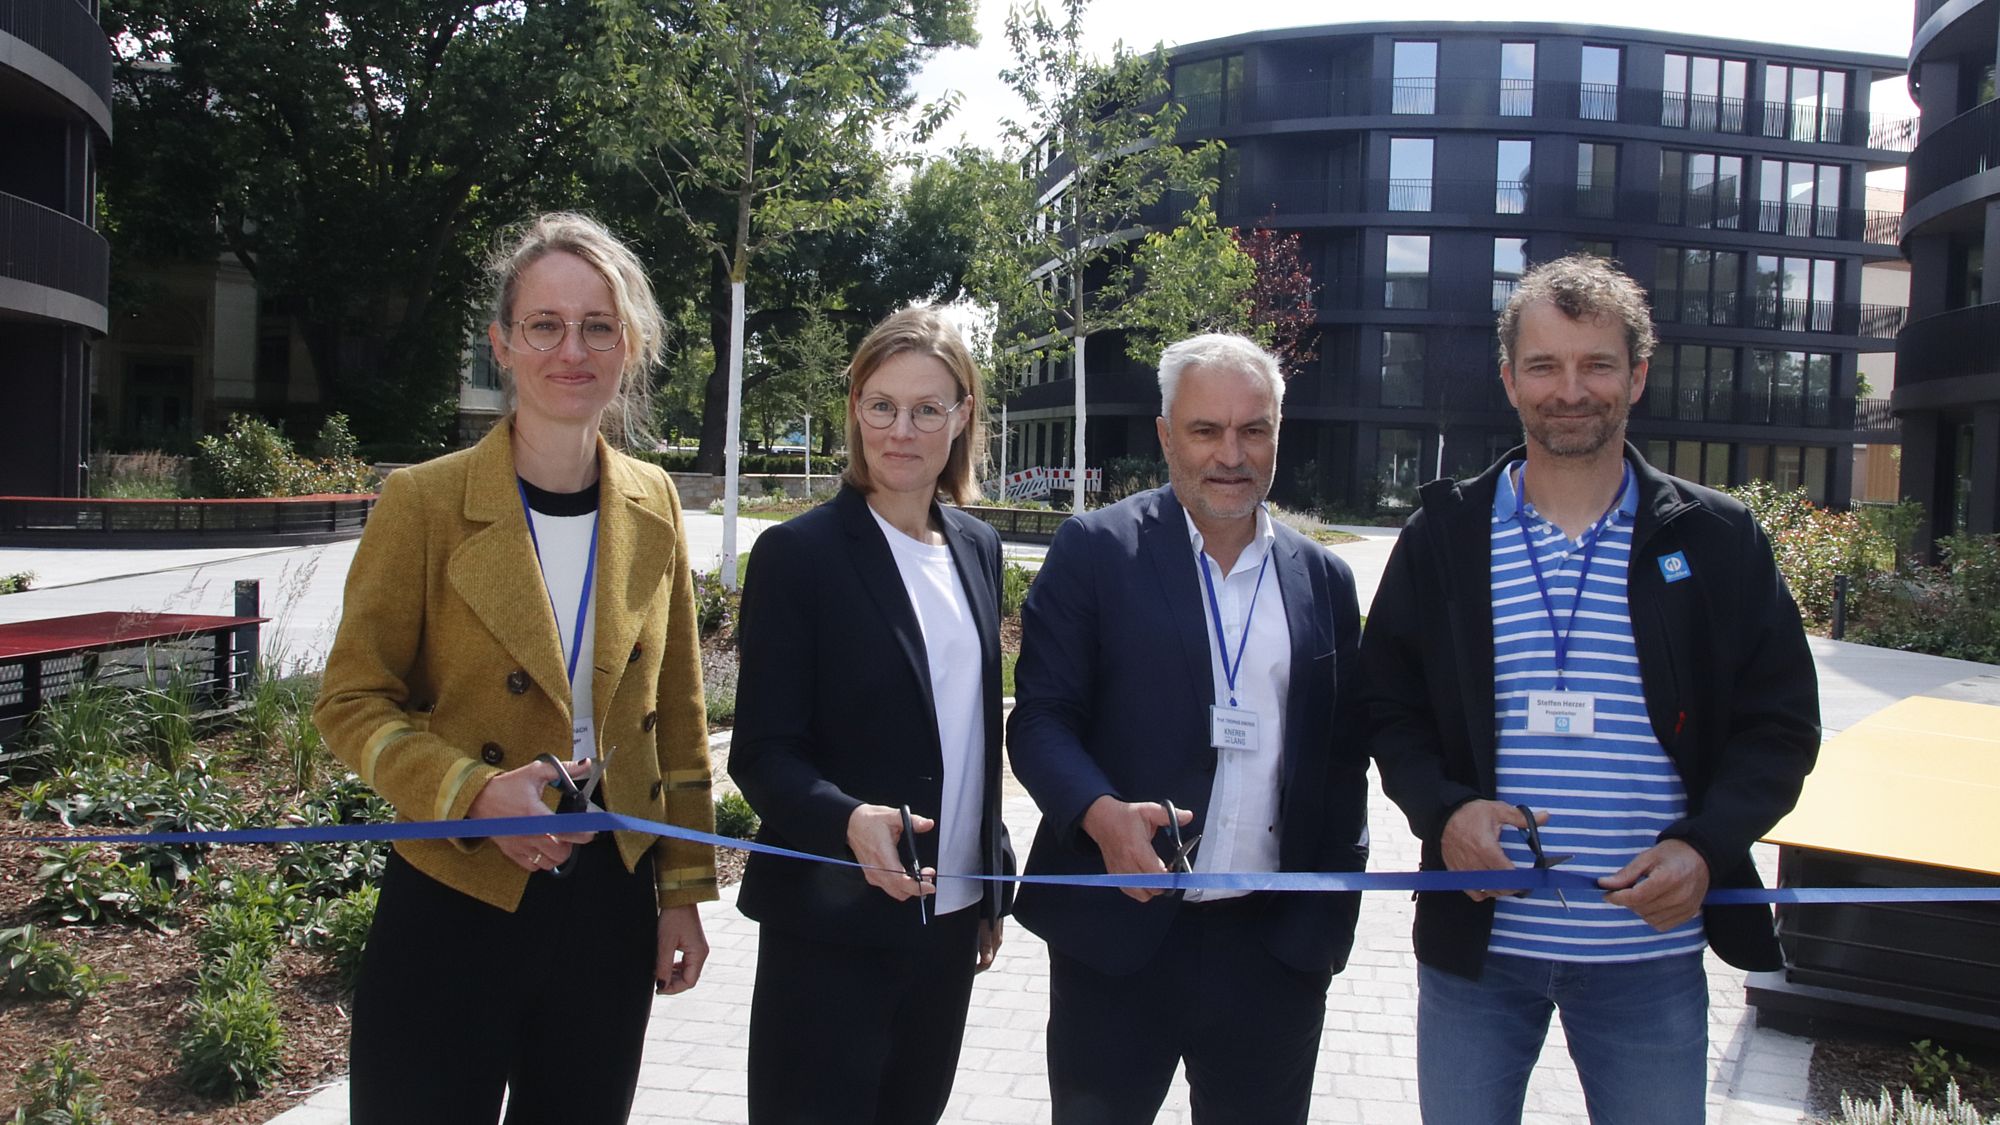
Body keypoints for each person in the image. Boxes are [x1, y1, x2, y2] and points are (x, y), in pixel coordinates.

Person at [1360, 254, 1821, 1125]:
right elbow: (1387, 705)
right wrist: (1446, 812)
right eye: (1545, 365)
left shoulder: (1717, 541)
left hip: (1649, 953)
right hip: (1479, 953)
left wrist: (1707, 846)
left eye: (1596, 364)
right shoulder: (1446, 535)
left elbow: (1782, 724)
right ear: (1509, 380)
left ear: (1637, 375)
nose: (1570, 389)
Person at [313, 211, 717, 1125]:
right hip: (454, 891)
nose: (571, 349)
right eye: (545, 324)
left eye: (598, 326)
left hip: (607, 908)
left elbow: (680, 718)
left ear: (630, 346)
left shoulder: (654, 502)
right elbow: (348, 701)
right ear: (502, 343)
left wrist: (684, 893)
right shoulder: (423, 502)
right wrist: (468, 790)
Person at [1007, 333, 1370, 1125]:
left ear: (1280, 431)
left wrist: (1322, 934)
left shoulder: (1324, 580)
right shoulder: (1096, 551)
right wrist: (1101, 818)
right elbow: (1038, 720)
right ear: (1167, 433)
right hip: (1119, 940)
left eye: (1254, 429)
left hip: (1273, 952)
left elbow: (1344, 761)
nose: (1231, 454)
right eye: (1206, 430)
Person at [729, 305, 1013, 1125]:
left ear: (962, 416)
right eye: (882, 404)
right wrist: (847, 818)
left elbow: (969, 731)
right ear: (854, 408)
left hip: (947, 925)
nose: (902, 429)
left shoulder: (976, 548)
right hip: (831, 923)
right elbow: (763, 752)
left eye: (928, 408)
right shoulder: (798, 555)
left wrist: (986, 881)